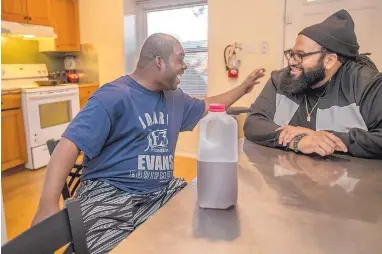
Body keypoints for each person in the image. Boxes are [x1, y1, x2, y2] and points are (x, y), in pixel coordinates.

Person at [31, 33, 266, 253]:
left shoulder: (175, 98)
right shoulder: (113, 96)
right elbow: (69, 144)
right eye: (180, 60)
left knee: (207, 229)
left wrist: (244, 88)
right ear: (159, 62)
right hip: (109, 194)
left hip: (161, 192)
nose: (185, 66)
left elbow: (209, 105)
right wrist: (47, 205)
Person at [244, 9, 382, 159]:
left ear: (329, 60)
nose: (291, 62)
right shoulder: (281, 79)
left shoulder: (366, 84)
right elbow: (253, 123)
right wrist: (298, 140)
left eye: (300, 55)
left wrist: (325, 139)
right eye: (291, 54)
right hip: (288, 179)